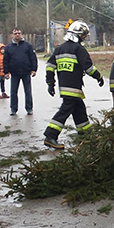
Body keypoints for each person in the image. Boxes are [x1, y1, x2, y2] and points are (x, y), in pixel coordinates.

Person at [44, 20, 104, 150]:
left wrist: (50, 83)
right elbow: (88, 68)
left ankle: (86, 135)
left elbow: (49, 65)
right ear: (78, 35)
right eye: (83, 36)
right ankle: (50, 135)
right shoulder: (79, 49)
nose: (84, 38)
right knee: (65, 110)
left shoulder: (59, 49)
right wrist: (99, 77)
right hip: (73, 87)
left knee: (80, 110)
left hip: (64, 86)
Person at [3, 28, 38, 116]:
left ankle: (29, 108)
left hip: (26, 72)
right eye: (15, 33)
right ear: (12, 35)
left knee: (28, 91)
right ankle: (13, 109)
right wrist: (6, 72)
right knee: (13, 92)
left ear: (21, 34)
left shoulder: (28, 46)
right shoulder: (8, 47)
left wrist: (34, 69)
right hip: (14, 73)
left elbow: (33, 58)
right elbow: (5, 60)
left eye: (19, 33)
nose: (17, 35)